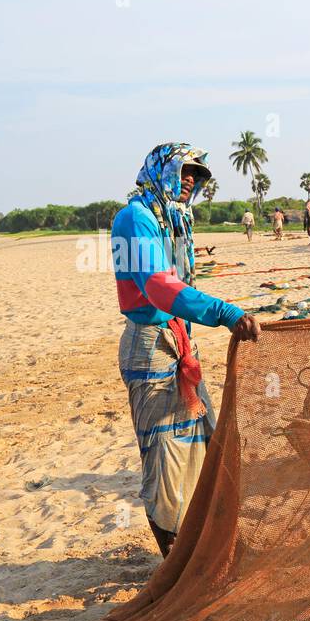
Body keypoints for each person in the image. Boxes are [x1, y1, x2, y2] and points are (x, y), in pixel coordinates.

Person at [110, 143, 262, 557]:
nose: (190, 180)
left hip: (179, 343)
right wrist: (225, 313)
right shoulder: (136, 219)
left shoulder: (172, 221)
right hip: (151, 348)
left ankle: (198, 545)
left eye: (197, 174)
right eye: (184, 171)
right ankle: (175, 561)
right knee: (165, 456)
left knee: (203, 440)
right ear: (162, 171)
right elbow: (158, 287)